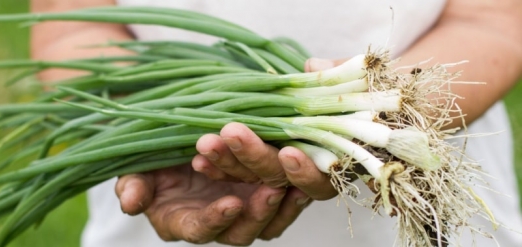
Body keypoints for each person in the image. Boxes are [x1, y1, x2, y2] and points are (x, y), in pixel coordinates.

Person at [31, 0, 522, 246]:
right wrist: (162, 137)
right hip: (172, 187)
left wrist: (388, 115)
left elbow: (493, 20)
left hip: (430, 192)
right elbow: (72, 24)